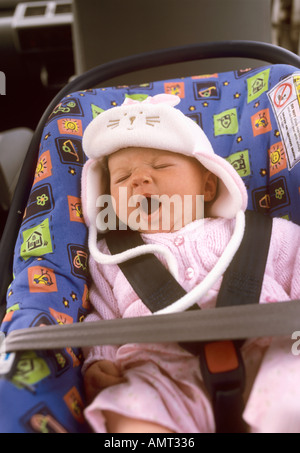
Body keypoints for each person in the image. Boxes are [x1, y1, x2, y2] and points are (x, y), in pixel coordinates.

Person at [80, 94, 300, 433]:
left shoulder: (261, 233)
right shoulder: (111, 257)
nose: (139, 179)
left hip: (271, 350)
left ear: (208, 185)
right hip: (159, 374)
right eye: (122, 178)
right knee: (125, 412)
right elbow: (102, 316)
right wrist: (100, 358)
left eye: (160, 166)